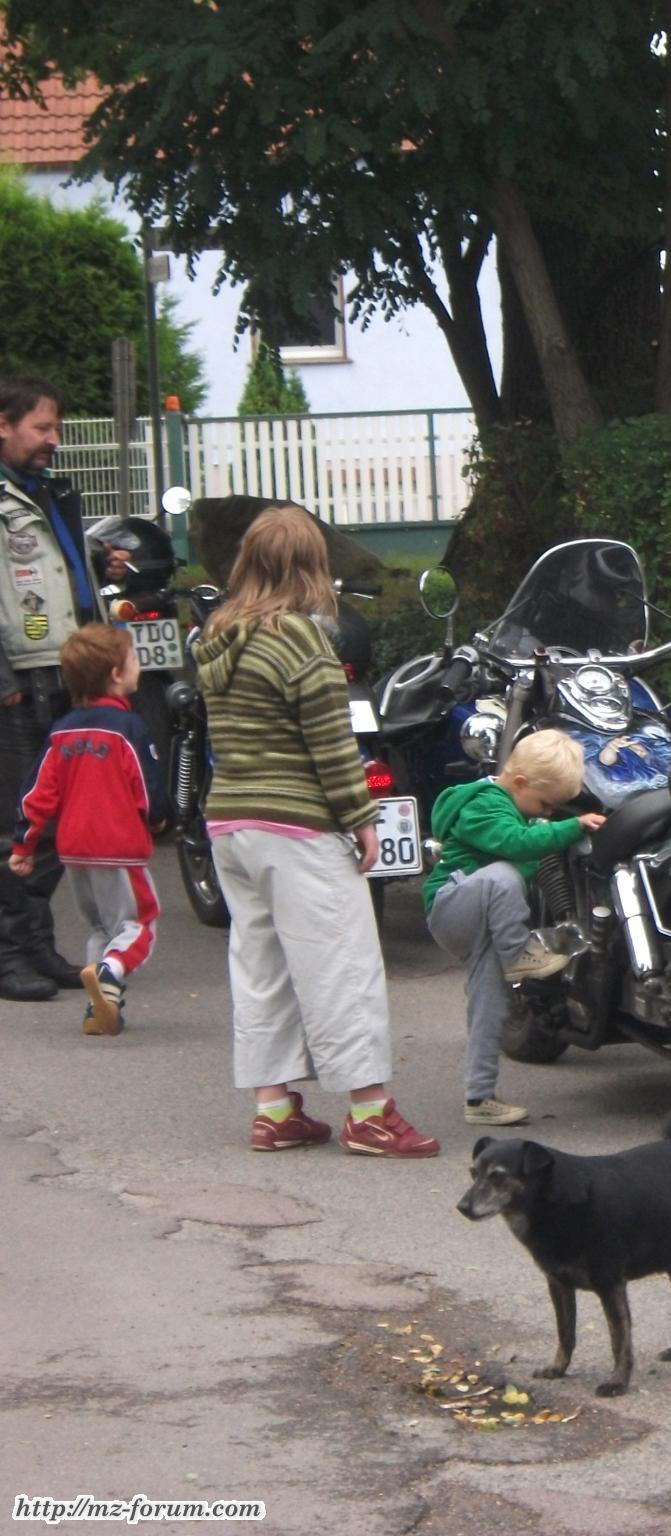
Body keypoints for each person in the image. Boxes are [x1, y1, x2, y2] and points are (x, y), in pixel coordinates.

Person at [194, 503, 439, 1158]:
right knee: (343, 964)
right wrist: (361, 819)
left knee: (262, 965)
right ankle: (370, 1113)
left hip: (231, 824)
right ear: (312, 566)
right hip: (295, 824)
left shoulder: (218, 635)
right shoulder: (302, 640)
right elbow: (331, 745)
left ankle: (274, 1110)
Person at [422, 728, 604, 1127]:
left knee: (491, 1004)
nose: (546, 813)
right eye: (544, 803)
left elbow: (532, 832)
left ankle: (479, 1097)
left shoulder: (516, 801)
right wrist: (573, 827)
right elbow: (515, 842)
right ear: (519, 782)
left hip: (483, 920)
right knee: (503, 876)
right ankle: (519, 955)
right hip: (451, 906)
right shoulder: (483, 804)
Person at [0, 376, 114, 1002]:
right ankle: (9, 955)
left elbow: (45, 577)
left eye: (56, 428)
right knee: (16, 824)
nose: (53, 439)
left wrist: (95, 564)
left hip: (59, 672)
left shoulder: (42, 492)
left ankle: (35, 947)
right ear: (3, 424)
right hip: (18, 680)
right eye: (42, 427)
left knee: (48, 822)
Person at [9, 623, 165, 1036]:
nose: (138, 665)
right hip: (120, 845)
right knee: (139, 924)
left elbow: (37, 791)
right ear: (116, 674)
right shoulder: (128, 728)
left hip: (74, 848)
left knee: (100, 926)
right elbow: (146, 785)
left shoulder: (62, 730)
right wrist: (159, 818)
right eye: (134, 659)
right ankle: (111, 971)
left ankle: (100, 1007)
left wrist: (24, 844)